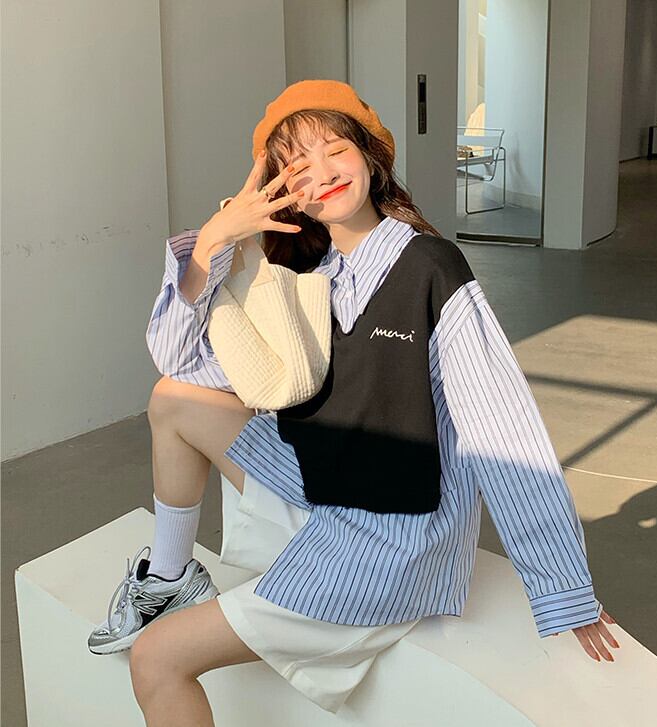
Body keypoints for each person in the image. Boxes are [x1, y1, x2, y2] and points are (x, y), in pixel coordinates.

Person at [88, 80, 619, 724]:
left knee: (155, 659)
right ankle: (168, 582)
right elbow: (181, 363)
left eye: (335, 148)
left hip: (388, 543)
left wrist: (563, 588)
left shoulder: (430, 268)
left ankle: (196, 609)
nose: (322, 172)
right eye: (296, 165)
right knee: (174, 399)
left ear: (369, 155)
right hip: (324, 487)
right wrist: (211, 246)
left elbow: (501, 431)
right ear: (282, 191)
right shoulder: (308, 280)